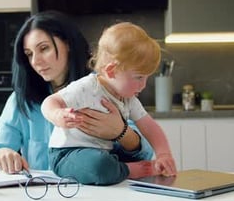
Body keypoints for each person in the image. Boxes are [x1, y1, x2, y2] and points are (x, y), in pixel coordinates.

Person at [0, 11, 153, 174]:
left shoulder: (107, 88)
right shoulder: (21, 100)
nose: (36, 61)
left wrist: (120, 132)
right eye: (29, 54)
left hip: (97, 197)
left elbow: (144, 155)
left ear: (68, 44)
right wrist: (0, 155)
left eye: (44, 48)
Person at [41, 22, 177, 185]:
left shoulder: (129, 99)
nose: (144, 85)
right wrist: (57, 114)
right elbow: (50, 102)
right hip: (66, 154)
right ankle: (128, 170)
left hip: (101, 153)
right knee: (99, 165)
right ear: (111, 71)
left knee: (105, 159)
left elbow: (150, 126)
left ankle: (118, 168)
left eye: (147, 78)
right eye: (139, 77)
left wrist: (164, 154)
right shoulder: (87, 87)